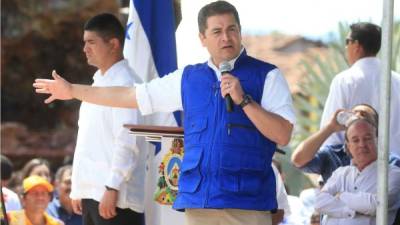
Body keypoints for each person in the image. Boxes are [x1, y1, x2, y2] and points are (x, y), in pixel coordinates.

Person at [33, 2, 295, 225]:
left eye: (231, 30)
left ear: (240, 32)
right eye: (216, 31)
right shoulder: (188, 78)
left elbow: (283, 135)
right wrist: (73, 91)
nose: (225, 38)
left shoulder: (267, 76)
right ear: (202, 38)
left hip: (246, 204)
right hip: (199, 205)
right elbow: (129, 95)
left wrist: (244, 100)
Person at [56, 13, 145, 225]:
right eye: (84, 42)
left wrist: (112, 187)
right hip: (92, 196)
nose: (85, 48)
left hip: (115, 198)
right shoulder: (96, 85)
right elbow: (86, 142)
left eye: (91, 42)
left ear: (113, 44)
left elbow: (127, 140)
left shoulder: (127, 84)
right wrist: (79, 188)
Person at [319, 22, 400, 158]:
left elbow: (331, 136)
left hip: (358, 171)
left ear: (356, 45)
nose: (346, 47)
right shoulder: (397, 80)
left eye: (347, 42)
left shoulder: (344, 80)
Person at [315, 118, 400, 225]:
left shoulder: (393, 174)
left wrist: (340, 195)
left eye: (367, 138)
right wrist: (350, 210)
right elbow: (319, 202)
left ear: (378, 141)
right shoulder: (341, 173)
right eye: (355, 140)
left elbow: (376, 205)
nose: (362, 144)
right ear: (348, 146)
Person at [291, 104, 400, 183]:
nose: (358, 116)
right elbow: (299, 160)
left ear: (376, 131)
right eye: (354, 114)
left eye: (365, 115)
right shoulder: (333, 155)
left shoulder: (391, 163)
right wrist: (330, 128)